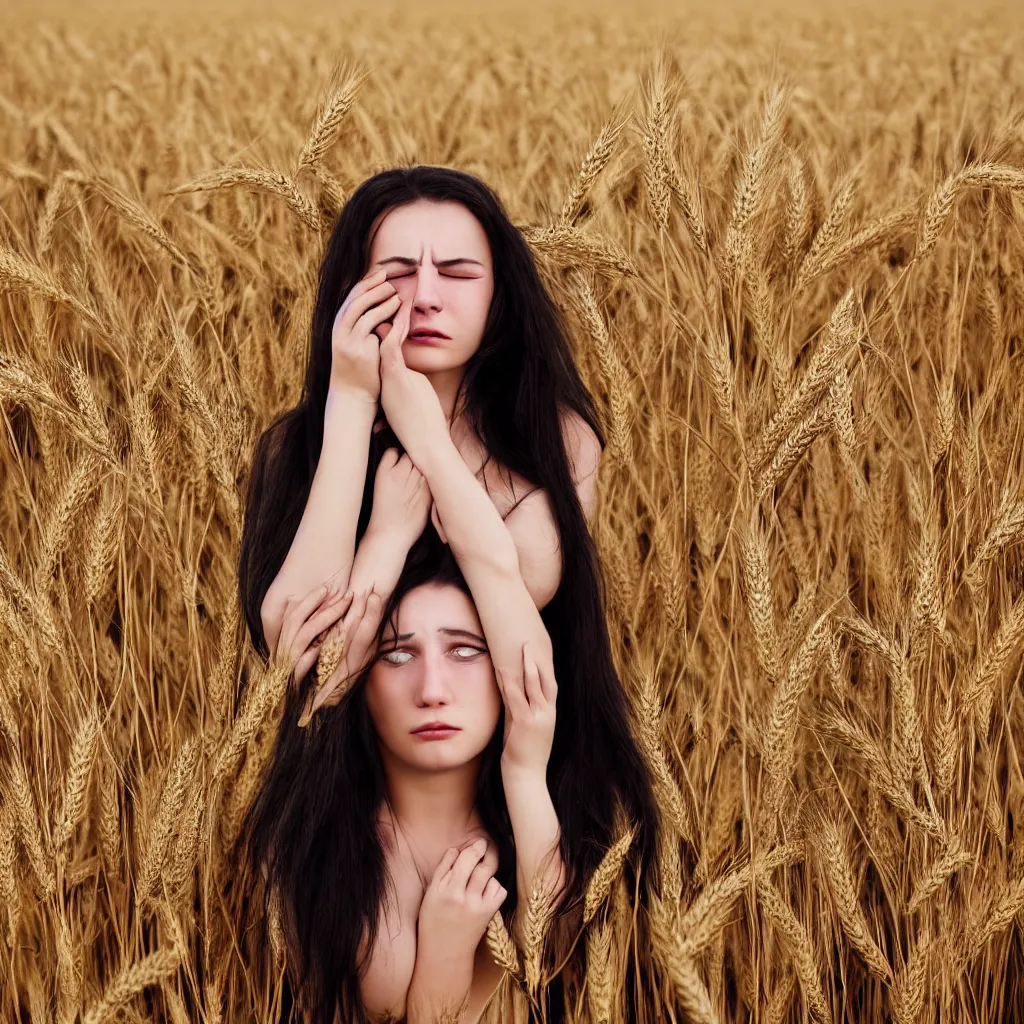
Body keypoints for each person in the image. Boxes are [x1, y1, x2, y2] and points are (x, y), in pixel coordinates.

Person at [242, 449, 659, 1024]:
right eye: (397, 654)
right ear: (358, 677)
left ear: (507, 668)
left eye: (466, 650)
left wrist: (524, 768)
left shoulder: (551, 835)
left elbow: (548, 933)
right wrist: (441, 958)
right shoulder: (334, 861)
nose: (432, 688)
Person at [237, 165, 607, 715]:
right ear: (352, 292)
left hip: (513, 772)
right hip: (347, 776)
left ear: (498, 295)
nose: (428, 296)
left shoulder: (555, 438)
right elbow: (302, 661)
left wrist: (431, 446)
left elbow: (517, 599)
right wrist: (351, 402)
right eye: (399, 273)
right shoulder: (297, 444)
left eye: (458, 274)